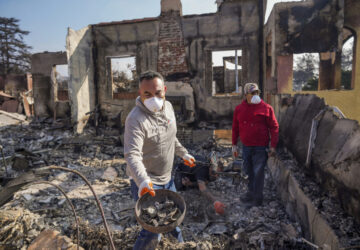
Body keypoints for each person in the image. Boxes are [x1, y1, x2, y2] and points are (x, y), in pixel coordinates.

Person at [124, 70, 196, 250]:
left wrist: (183, 153)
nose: (153, 98)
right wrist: (142, 181)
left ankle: (180, 247)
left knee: (173, 220)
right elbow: (132, 155)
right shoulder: (135, 119)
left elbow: (171, 136)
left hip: (167, 179)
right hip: (147, 183)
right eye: (147, 94)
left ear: (164, 90)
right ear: (140, 93)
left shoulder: (169, 108)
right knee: (152, 229)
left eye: (158, 93)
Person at [232, 83, 279, 207]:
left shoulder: (266, 108)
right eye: (252, 93)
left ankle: (257, 198)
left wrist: (273, 146)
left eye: (257, 93)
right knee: (248, 171)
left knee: (258, 172)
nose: (255, 95)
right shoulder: (239, 109)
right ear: (246, 95)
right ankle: (250, 193)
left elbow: (274, 127)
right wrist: (234, 145)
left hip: (260, 147)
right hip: (246, 146)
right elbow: (235, 128)